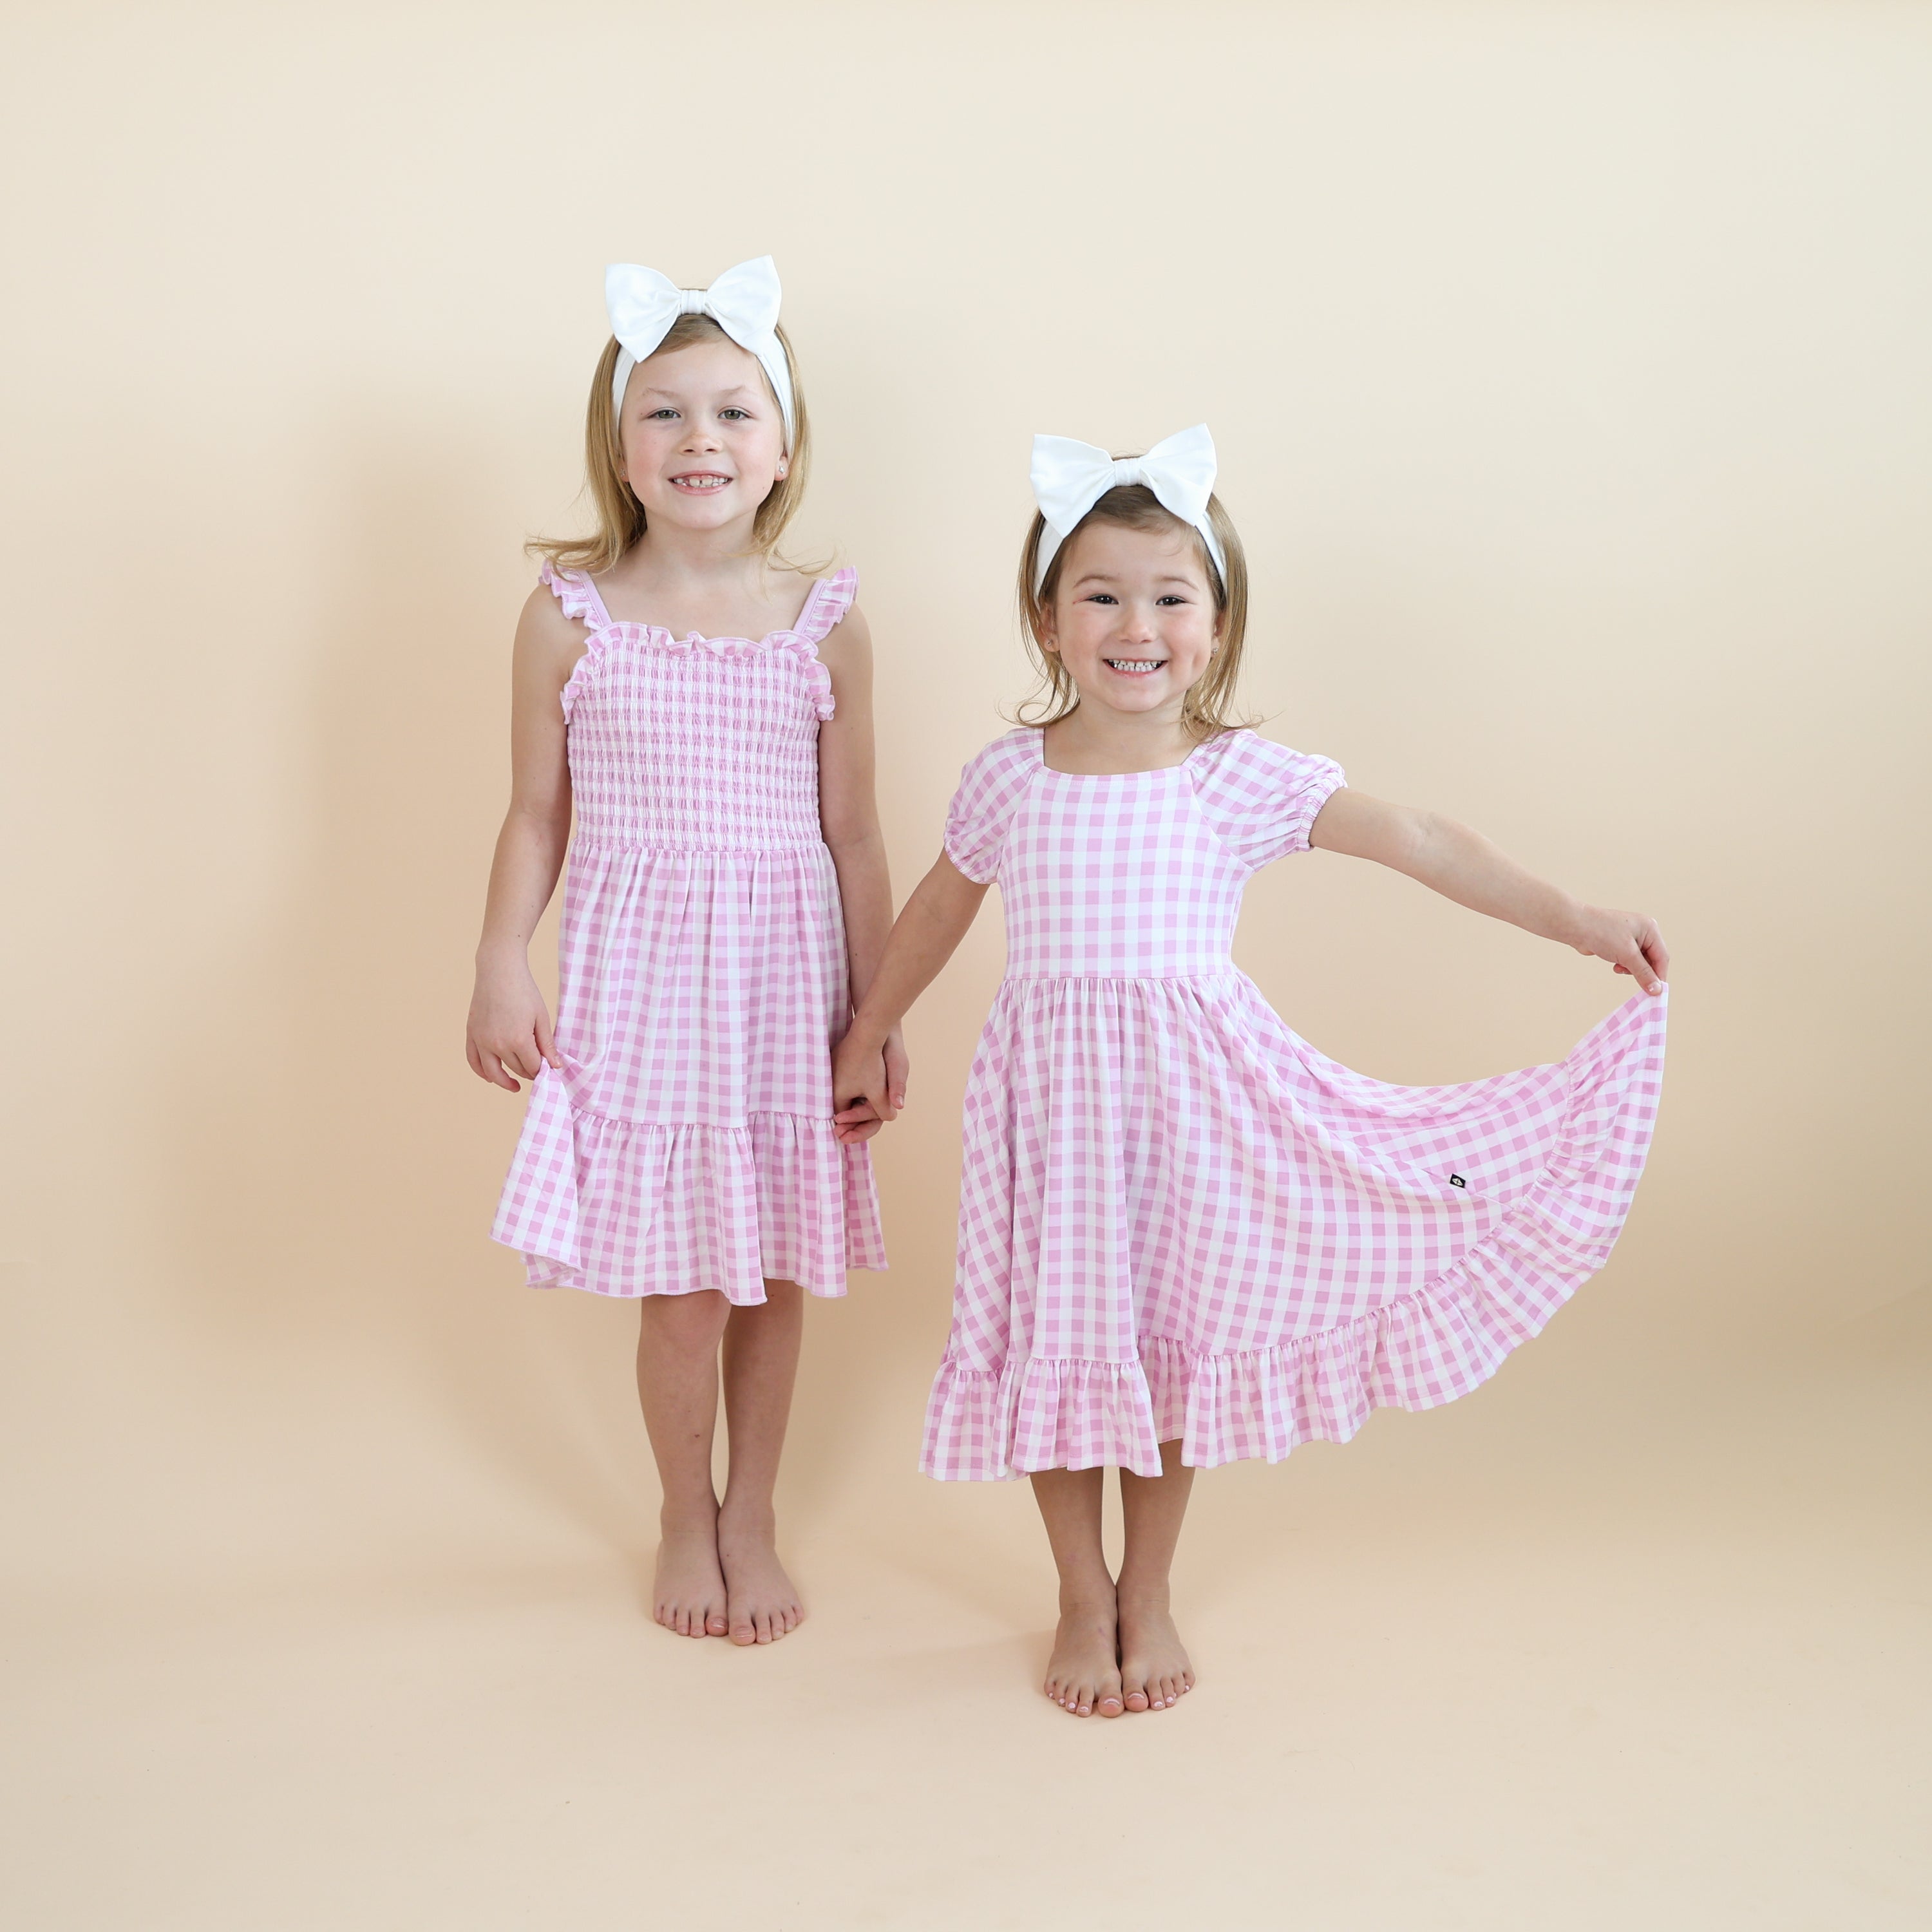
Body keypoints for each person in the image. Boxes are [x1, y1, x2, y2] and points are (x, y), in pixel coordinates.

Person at [832, 426, 1667, 1716]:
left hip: (1199, 1113)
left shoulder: (1234, 781)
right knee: (1063, 1348)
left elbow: (1425, 840)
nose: (1136, 625)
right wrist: (870, 1028)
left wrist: (1575, 918)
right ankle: (1077, 1595)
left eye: (1172, 599)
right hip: (1048, 1117)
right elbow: (940, 912)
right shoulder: (1009, 778)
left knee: (1169, 1349)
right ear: (1049, 620)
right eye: (1101, 595)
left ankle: (1148, 1590)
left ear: (1215, 631)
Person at [468, 258, 898, 1645]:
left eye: (731, 413)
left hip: (786, 984)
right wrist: (500, 960)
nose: (699, 441)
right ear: (619, 444)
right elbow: (535, 816)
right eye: (664, 414)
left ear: (782, 447)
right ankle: (680, 1510)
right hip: (646, 985)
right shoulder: (567, 614)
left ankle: (753, 1511)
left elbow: (857, 838)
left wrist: (876, 1013)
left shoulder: (824, 620)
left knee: (772, 1272)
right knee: (683, 1282)